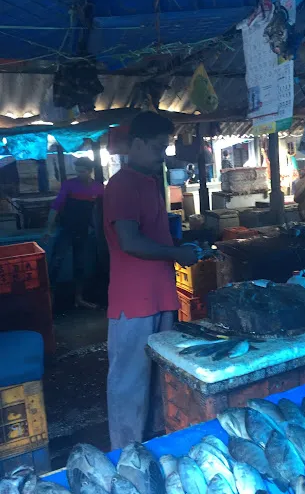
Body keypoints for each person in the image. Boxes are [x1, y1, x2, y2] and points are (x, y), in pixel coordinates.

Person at [103, 111, 198, 450]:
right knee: (129, 381)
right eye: (159, 147)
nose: (163, 154)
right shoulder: (122, 185)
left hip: (160, 296)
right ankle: (125, 454)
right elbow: (129, 242)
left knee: (160, 377)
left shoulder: (148, 181)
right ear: (138, 143)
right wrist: (176, 254)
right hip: (134, 301)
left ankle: (156, 443)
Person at [45, 157, 104, 309]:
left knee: (80, 264)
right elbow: (56, 206)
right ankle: (48, 298)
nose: (79, 174)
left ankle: (79, 299)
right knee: (56, 262)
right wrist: (48, 227)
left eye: (82, 171)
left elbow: (103, 209)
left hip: (83, 230)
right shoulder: (69, 185)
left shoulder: (98, 188)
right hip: (65, 228)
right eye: (77, 171)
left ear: (89, 171)